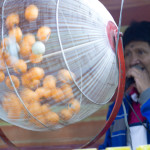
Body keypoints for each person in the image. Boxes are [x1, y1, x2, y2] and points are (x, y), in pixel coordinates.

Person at [99, 21, 150, 150]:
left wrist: (147, 95)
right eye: (127, 54)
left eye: (141, 52)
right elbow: (109, 147)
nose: (133, 61)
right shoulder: (118, 108)